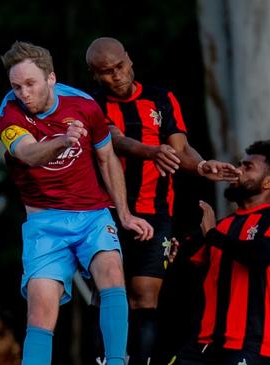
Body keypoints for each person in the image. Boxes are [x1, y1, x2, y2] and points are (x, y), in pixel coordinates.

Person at [0, 41, 154, 365]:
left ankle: (115, 361)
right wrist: (61, 141)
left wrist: (123, 213)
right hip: (45, 224)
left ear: (50, 79)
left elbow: (107, 157)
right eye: (16, 86)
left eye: (30, 84)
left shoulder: (83, 105)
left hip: (92, 215)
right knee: (40, 309)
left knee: (110, 270)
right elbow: (27, 154)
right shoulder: (7, 113)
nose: (23, 93)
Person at [85, 37, 238, 365]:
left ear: (129, 59)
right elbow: (116, 141)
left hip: (157, 212)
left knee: (145, 294)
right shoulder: (92, 104)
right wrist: (152, 151)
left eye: (120, 66)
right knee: (108, 293)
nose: (118, 75)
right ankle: (105, 360)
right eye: (107, 72)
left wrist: (200, 166)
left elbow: (180, 150)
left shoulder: (161, 98)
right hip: (106, 214)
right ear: (95, 76)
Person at [169, 140, 270, 365]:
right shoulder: (222, 225)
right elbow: (184, 265)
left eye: (248, 167)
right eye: (239, 164)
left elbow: (259, 255)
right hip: (204, 345)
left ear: (269, 182)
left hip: (252, 345)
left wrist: (213, 236)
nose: (237, 170)